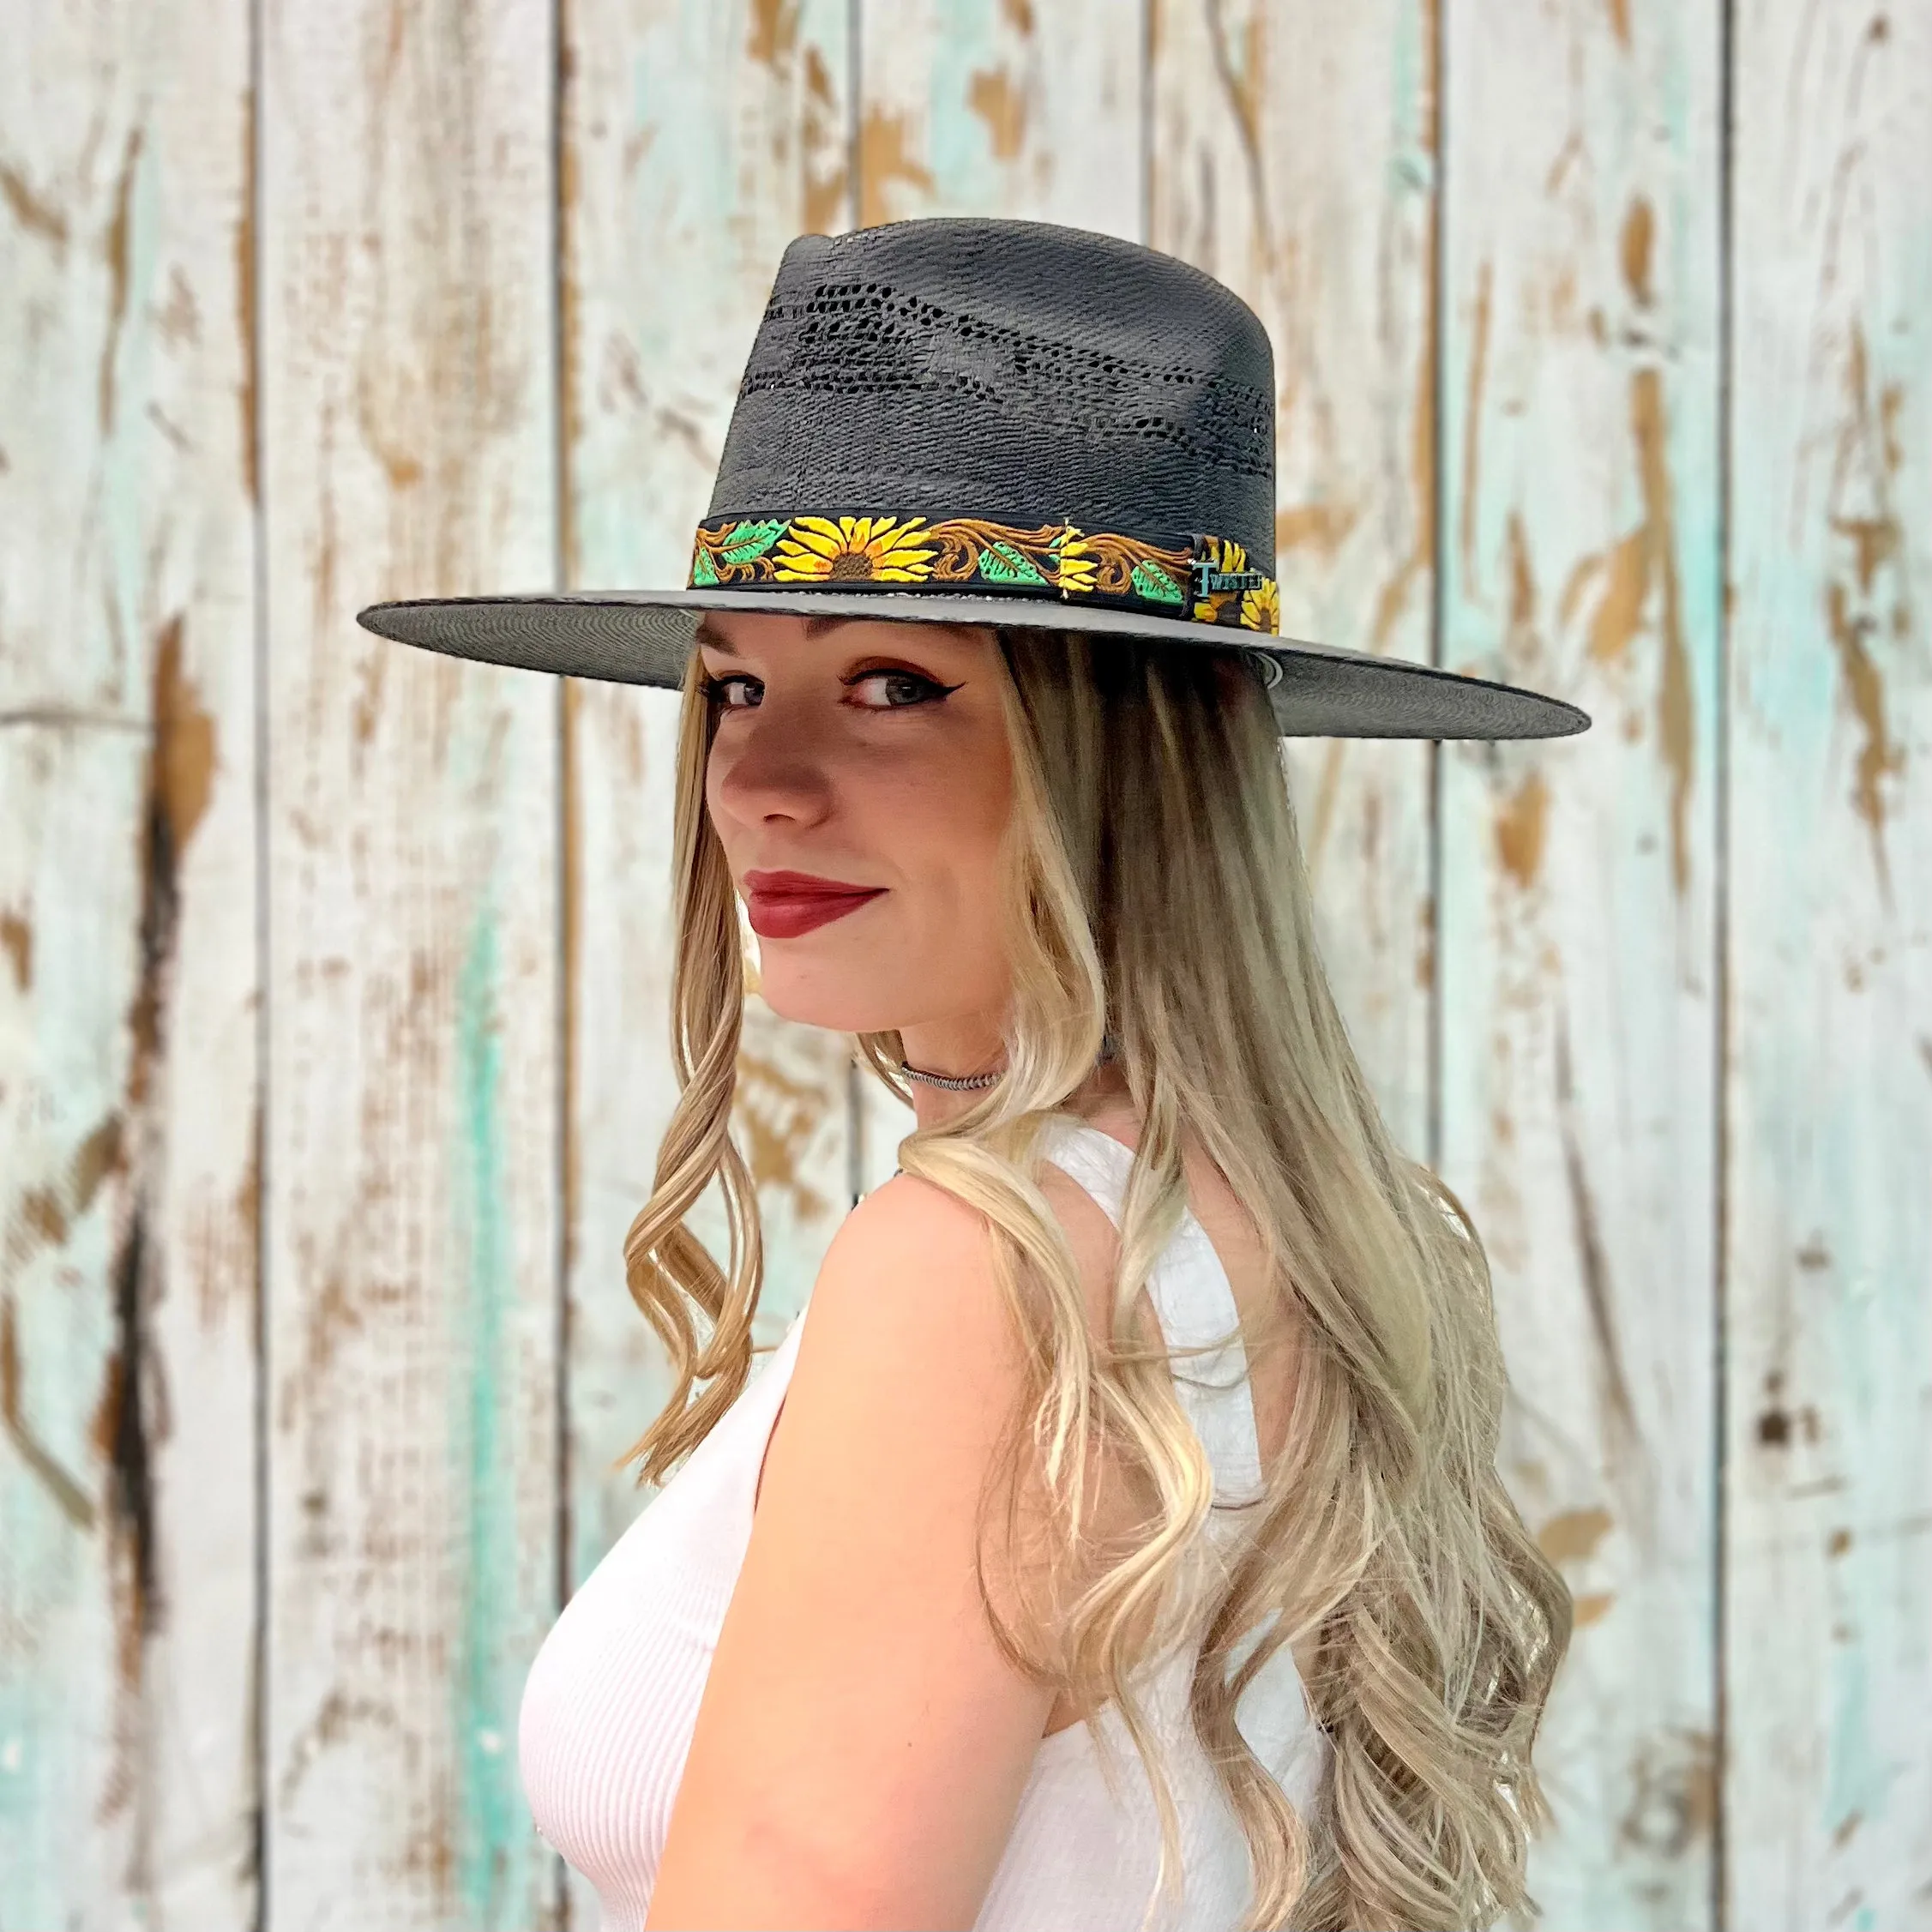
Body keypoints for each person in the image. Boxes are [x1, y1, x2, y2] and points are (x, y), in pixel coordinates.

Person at [360, 216, 1585, 1932]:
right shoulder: (1273, 1234)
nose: (760, 782)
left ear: (1126, 753)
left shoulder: (978, 1269)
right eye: (729, 687)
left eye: (890, 684)